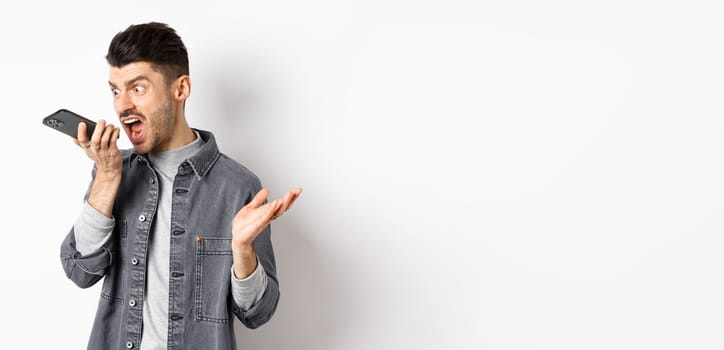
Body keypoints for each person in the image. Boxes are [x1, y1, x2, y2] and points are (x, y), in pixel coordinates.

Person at [59, 22, 302, 350]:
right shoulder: (111, 171)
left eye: (138, 88)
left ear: (181, 89)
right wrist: (106, 178)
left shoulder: (238, 187)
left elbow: (258, 312)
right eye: (115, 90)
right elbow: (79, 270)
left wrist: (243, 251)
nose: (121, 105)